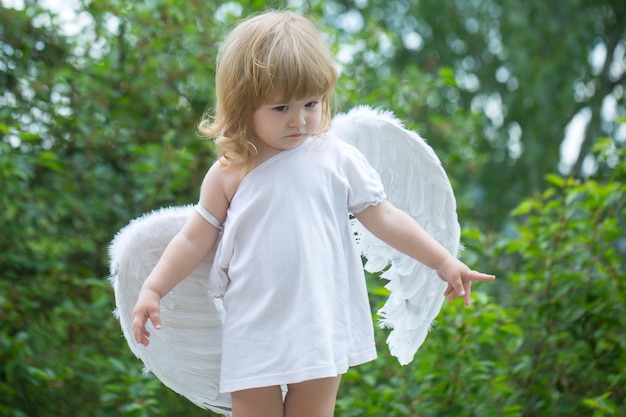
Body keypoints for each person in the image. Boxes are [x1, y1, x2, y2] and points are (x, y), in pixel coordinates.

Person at [131, 10, 495, 417]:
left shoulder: (336, 157)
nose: (300, 120)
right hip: (254, 321)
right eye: (281, 107)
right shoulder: (231, 171)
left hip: (320, 316)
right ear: (242, 105)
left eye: (311, 103)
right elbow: (193, 238)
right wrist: (153, 289)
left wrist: (443, 260)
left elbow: (385, 217)